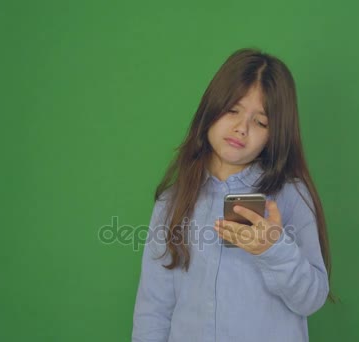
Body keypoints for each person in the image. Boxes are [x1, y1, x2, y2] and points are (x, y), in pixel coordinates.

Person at [132, 48, 334, 342]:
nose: (241, 128)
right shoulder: (172, 203)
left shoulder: (289, 196)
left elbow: (311, 299)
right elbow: (154, 307)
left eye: (260, 122)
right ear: (211, 109)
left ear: (274, 134)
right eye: (233, 110)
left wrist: (273, 249)